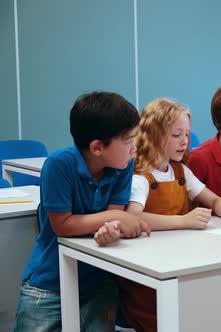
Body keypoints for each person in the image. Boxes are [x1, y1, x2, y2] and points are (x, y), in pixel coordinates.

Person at [97, 98, 221, 332]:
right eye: (177, 134)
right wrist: (183, 221)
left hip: (177, 258)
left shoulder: (180, 171)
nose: (185, 142)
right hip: (148, 272)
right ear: (155, 135)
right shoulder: (140, 177)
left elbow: (213, 198)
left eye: (187, 135)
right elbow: (135, 217)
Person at [14, 92, 148, 331]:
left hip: (98, 279)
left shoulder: (121, 167)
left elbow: (114, 216)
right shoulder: (59, 164)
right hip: (51, 280)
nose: (134, 148)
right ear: (97, 147)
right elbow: (62, 225)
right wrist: (113, 218)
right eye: (128, 140)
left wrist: (112, 227)